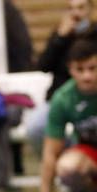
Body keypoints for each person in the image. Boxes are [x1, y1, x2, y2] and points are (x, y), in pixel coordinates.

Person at [30, 39, 97, 192]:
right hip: (90, 153)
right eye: (80, 70)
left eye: (92, 68)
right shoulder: (63, 98)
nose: (87, 76)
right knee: (68, 167)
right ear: (70, 69)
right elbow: (50, 153)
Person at [28, 0, 97, 158]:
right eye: (71, 8)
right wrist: (60, 38)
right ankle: (62, 162)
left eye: (80, 8)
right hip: (61, 98)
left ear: (90, 10)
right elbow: (43, 66)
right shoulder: (60, 35)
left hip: (92, 96)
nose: (76, 13)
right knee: (35, 126)